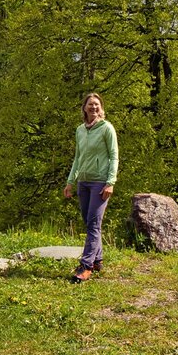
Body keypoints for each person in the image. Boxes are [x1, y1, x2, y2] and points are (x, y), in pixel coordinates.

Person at [63, 92, 118, 283]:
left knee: (94, 223)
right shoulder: (80, 130)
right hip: (83, 182)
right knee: (89, 222)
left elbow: (114, 156)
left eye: (97, 105)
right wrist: (70, 182)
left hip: (100, 182)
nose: (93, 108)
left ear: (101, 108)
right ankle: (98, 260)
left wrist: (110, 182)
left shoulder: (106, 128)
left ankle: (86, 266)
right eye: (90, 105)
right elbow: (78, 158)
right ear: (84, 108)